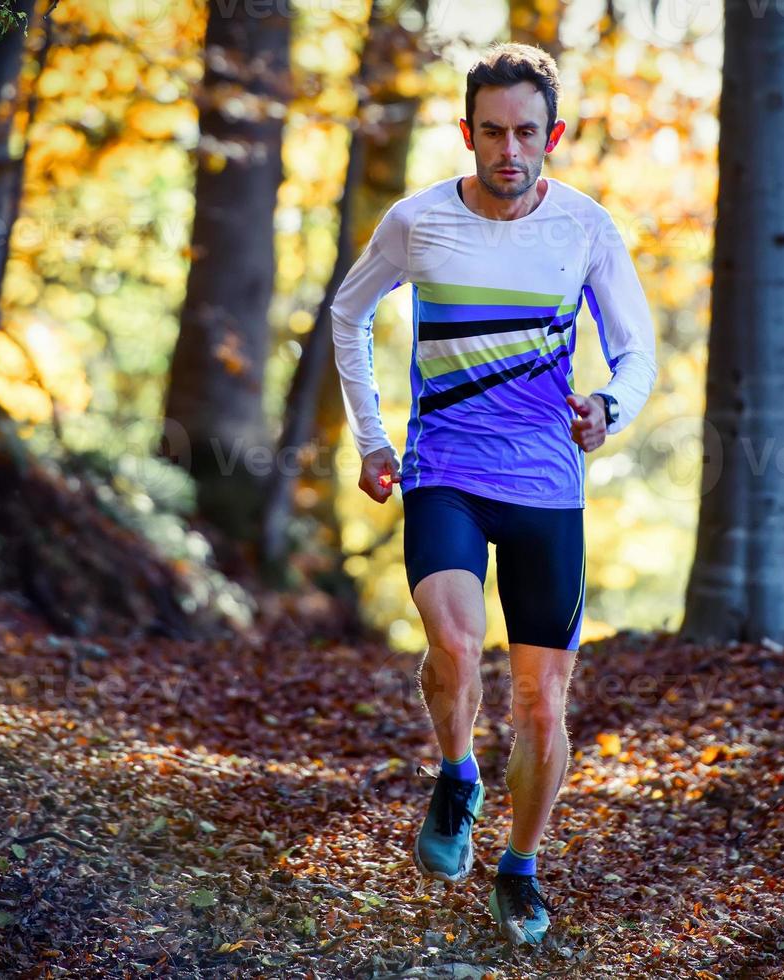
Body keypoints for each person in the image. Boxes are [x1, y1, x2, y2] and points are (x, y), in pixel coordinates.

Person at [329, 41, 657, 947]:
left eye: (525, 133)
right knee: (456, 641)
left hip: (547, 483)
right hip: (445, 471)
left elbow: (638, 352)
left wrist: (609, 408)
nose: (508, 150)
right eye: (490, 132)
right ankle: (457, 771)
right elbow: (348, 313)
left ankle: (518, 868)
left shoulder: (586, 227)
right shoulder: (417, 221)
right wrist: (372, 436)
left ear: (552, 135)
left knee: (544, 702)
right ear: (464, 134)